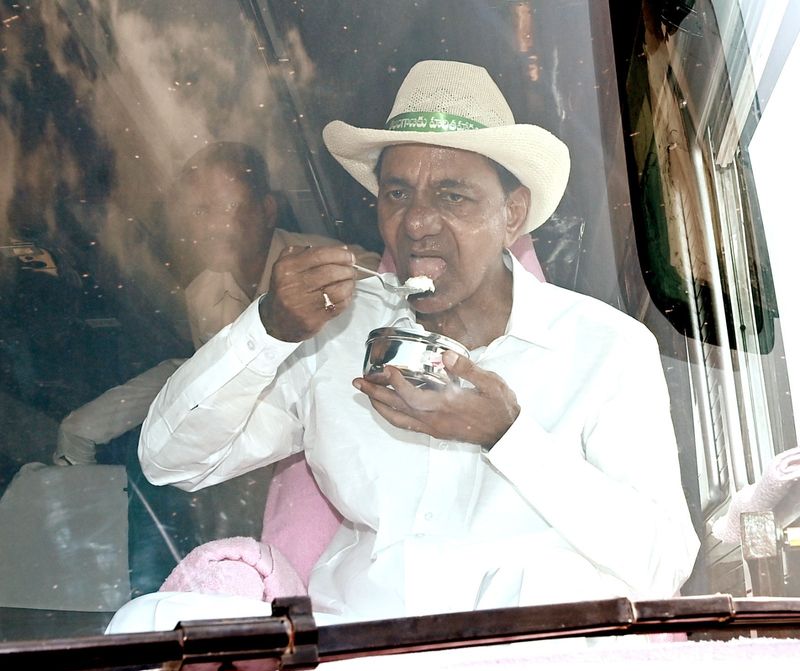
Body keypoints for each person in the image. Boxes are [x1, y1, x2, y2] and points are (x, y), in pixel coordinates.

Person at [110, 60, 699, 629]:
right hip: (352, 654)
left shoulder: (605, 347)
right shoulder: (335, 331)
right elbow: (170, 461)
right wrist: (265, 330)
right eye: (397, 194)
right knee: (147, 619)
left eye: (452, 196)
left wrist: (508, 436)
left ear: (512, 215)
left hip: (524, 654)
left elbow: (661, 565)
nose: (417, 222)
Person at [53, 142, 379, 466]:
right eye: (199, 211)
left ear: (267, 210)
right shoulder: (202, 295)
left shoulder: (340, 272)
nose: (210, 227)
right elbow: (213, 394)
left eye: (228, 207)